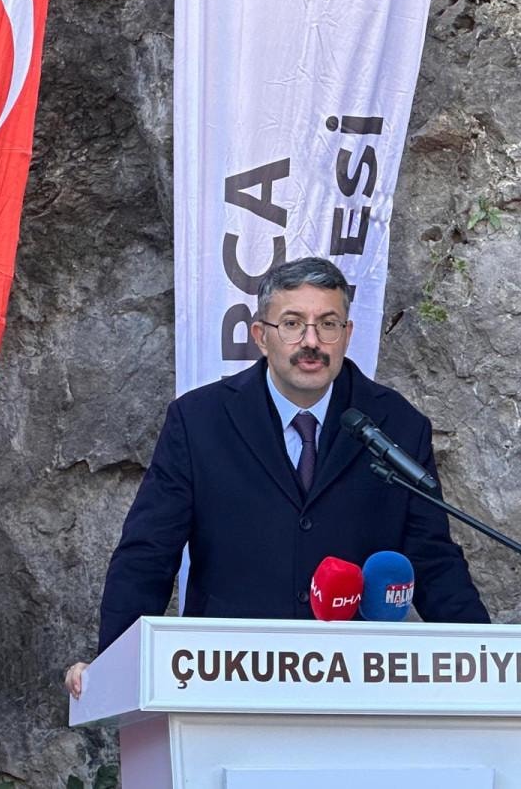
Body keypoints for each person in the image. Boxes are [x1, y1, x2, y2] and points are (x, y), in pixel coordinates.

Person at [65, 257, 488, 698]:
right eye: (292, 324)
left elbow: (432, 559)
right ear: (261, 336)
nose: (311, 342)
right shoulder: (199, 421)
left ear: (347, 335)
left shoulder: (396, 424)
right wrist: (114, 664)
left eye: (328, 324)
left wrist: (486, 662)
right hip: (228, 678)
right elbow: (148, 553)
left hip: (356, 682)